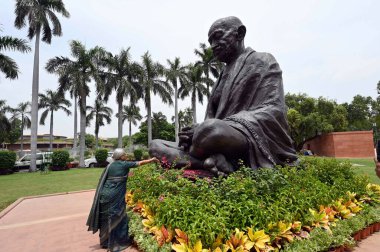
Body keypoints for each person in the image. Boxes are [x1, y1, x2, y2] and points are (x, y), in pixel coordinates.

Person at [149, 16, 297, 176]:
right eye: (210, 41)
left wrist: (208, 128)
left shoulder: (263, 61)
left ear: (239, 34)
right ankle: (209, 164)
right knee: (155, 145)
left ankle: (205, 160)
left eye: (218, 37)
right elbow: (209, 120)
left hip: (245, 136)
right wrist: (191, 134)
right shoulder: (221, 77)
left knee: (209, 129)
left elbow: (274, 109)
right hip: (212, 139)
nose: (213, 46)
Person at [86, 148, 159, 251]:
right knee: (117, 216)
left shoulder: (110, 165)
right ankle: (116, 243)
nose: (126, 156)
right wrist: (151, 160)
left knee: (106, 217)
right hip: (115, 194)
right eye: (125, 155)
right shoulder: (124, 164)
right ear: (121, 157)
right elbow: (140, 163)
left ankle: (105, 242)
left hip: (105, 193)